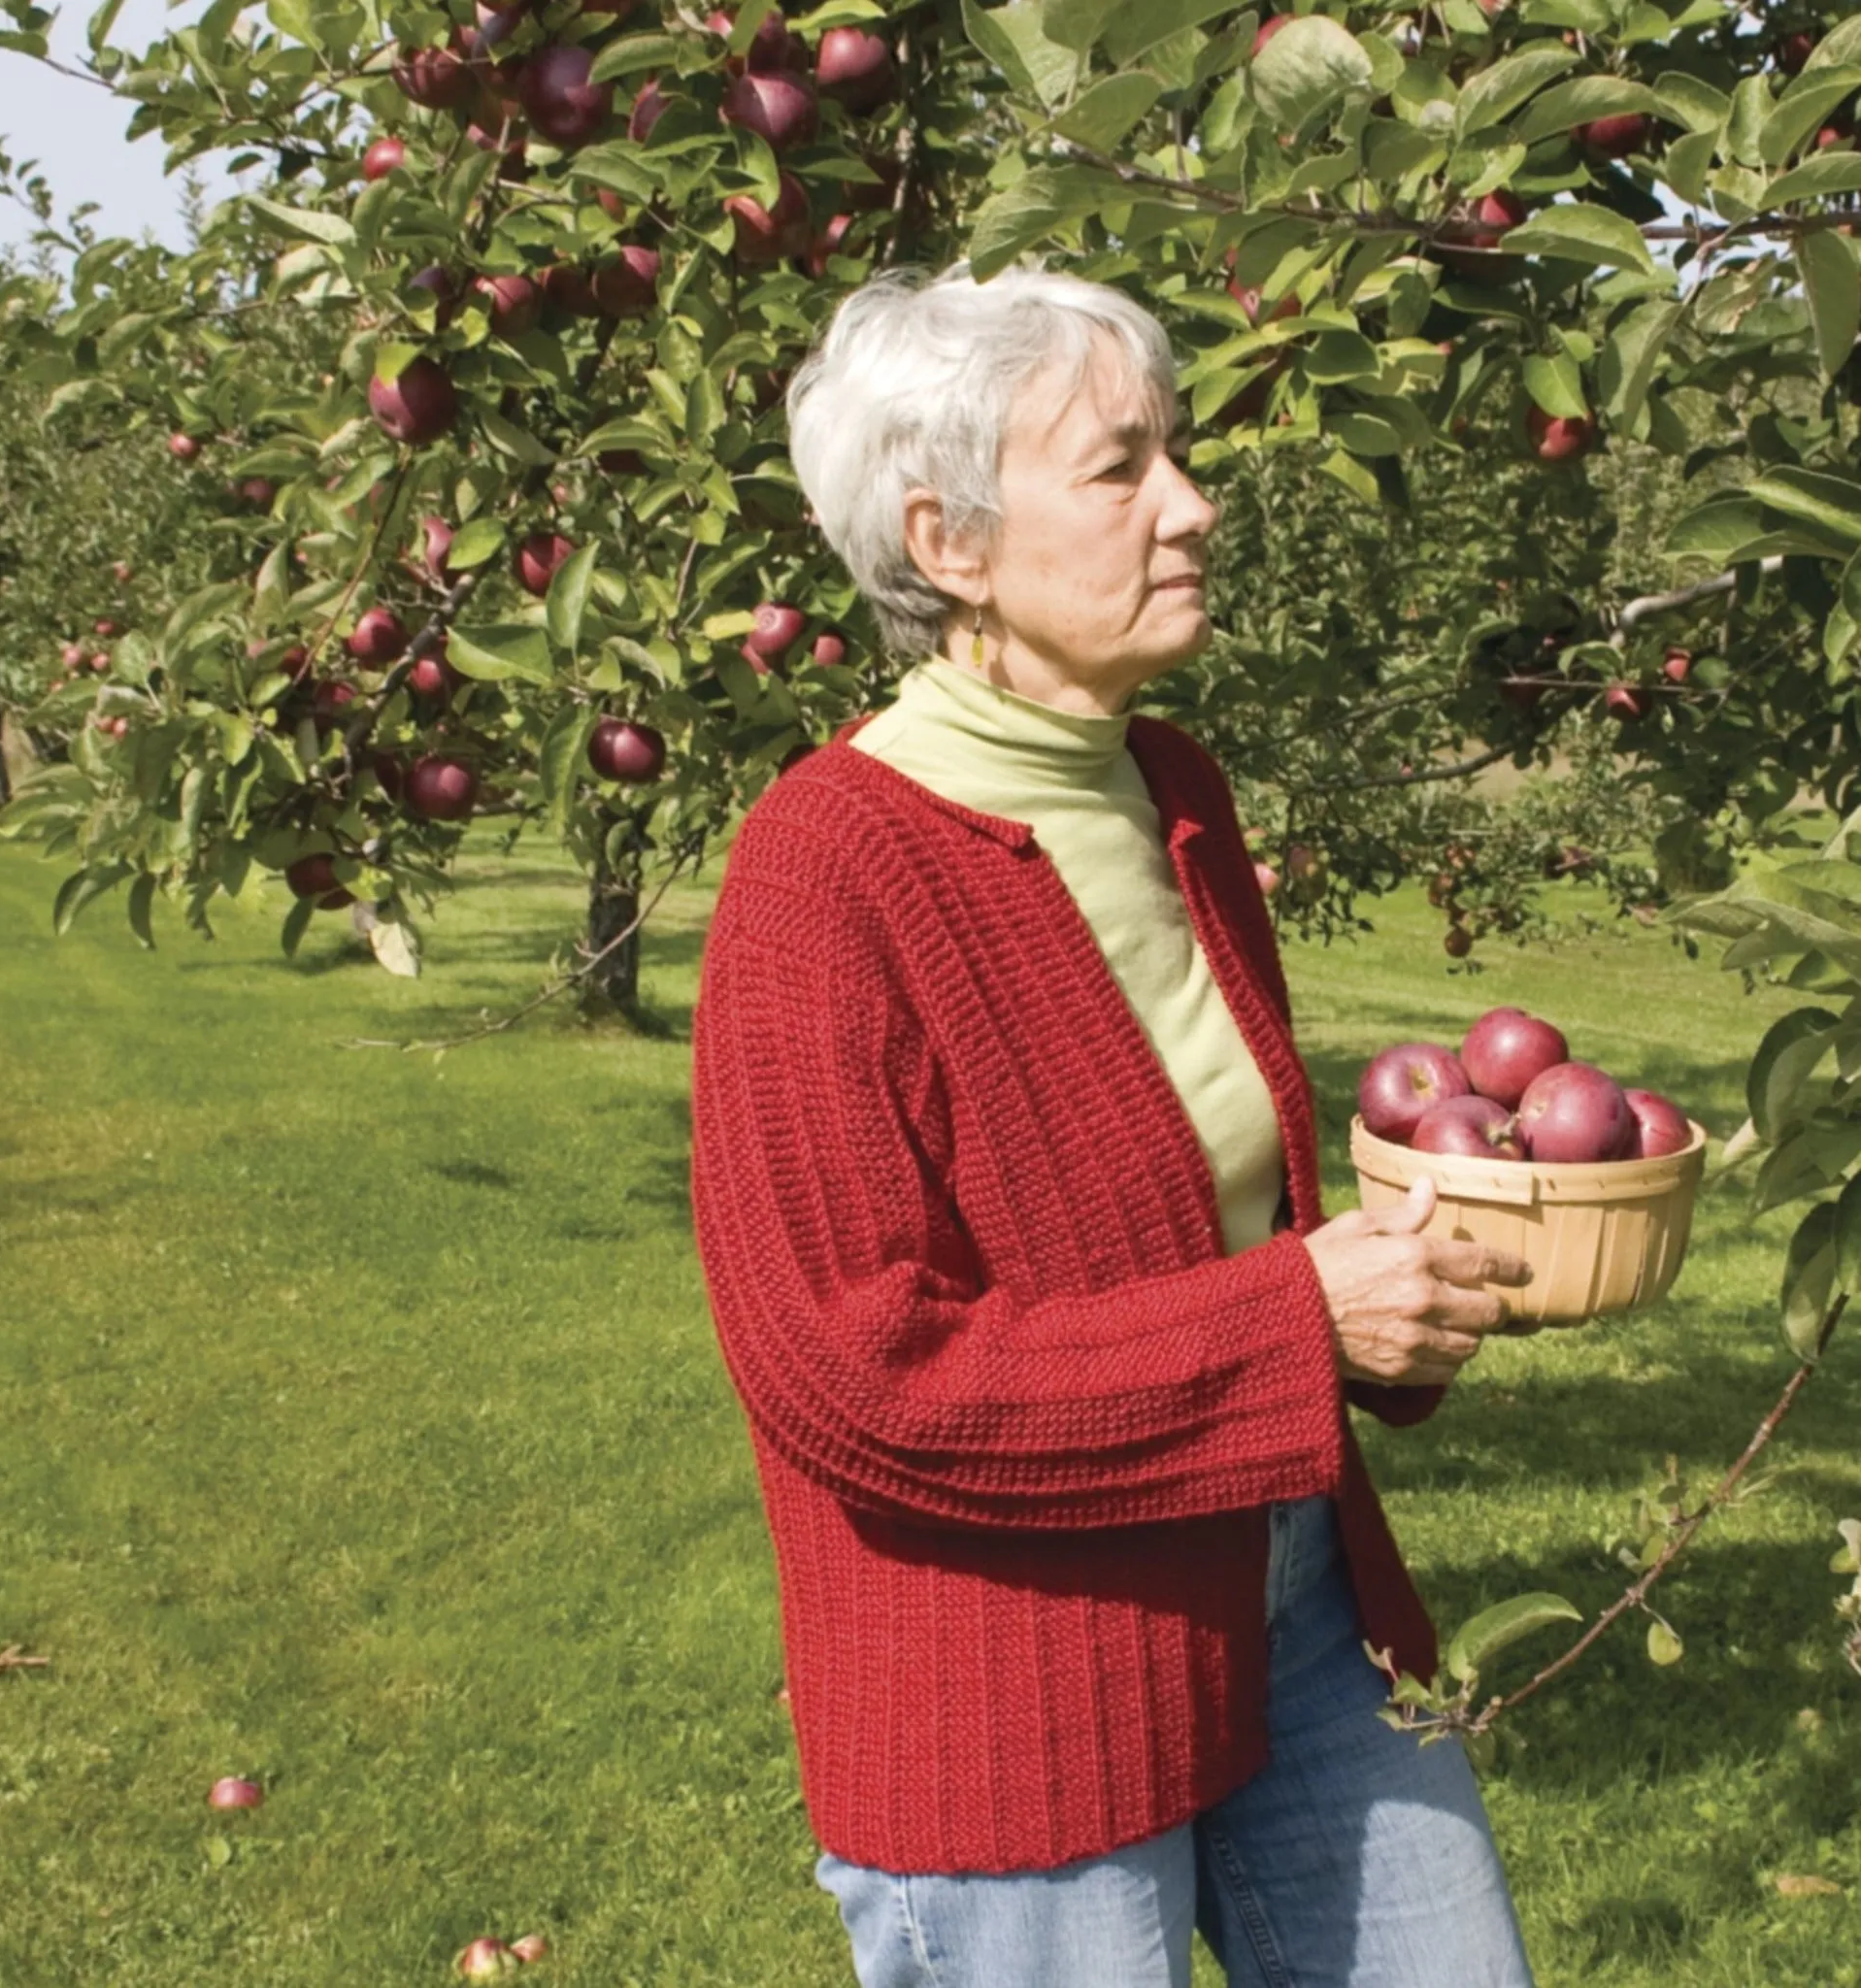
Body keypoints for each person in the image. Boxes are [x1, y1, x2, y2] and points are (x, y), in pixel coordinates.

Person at [687, 261, 1540, 1988]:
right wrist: (1302, 1318)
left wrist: (1390, 1288)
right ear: (953, 546)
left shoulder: (1174, 791)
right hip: (1013, 1703)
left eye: (1180, 451)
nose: (1191, 503)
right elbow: (858, 1374)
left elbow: (1203, 1224)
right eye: (1121, 466)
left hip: (1293, 1593)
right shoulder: (824, 877)